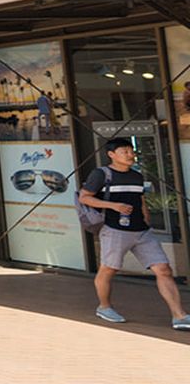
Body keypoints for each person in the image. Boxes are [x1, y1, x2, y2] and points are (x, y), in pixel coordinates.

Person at [80, 137, 190, 329]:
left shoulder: (136, 175)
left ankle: (179, 315)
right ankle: (104, 307)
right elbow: (85, 197)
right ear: (111, 154)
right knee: (108, 269)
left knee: (163, 269)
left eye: (131, 151)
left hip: (142, 231)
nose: (130, 155)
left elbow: (140, 199)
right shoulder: (101, 174)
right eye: (125, 152)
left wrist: (146, 218)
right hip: (115, 230)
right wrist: (113, 206)